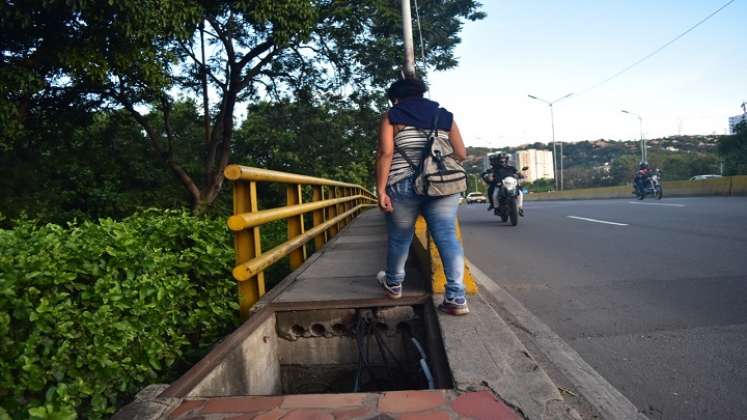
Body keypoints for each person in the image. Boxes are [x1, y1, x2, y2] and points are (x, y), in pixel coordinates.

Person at [375, 78, 469, 315]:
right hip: (442, 186)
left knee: (400, 237)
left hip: (402, 185)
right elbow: (461, 153)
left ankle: (394, 284)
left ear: (395, 98)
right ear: (422, 94)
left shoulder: (392, 116)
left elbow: (386, 153)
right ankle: (456, 298)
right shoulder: (444, 116)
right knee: (447, 237)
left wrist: (380, 189)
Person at [481, 152, 524, 216]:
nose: (502, 160)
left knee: (520, 192)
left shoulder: (511, 168)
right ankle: (496, 208)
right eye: (501, 159)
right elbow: (486, 174)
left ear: (507, 159)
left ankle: (520, 207)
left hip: (512, 184)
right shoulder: (494, 169)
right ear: (498, 160)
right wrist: (487, 176)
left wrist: (521, 174)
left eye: (504, 159)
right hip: (500, 185)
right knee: (494, 194)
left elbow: (517, 172)